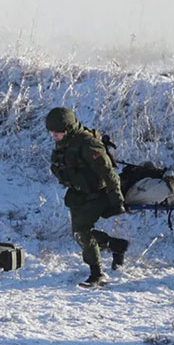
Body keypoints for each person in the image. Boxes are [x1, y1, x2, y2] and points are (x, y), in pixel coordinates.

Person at [46, 107, 130, 287]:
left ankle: (97, 274)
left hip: (99, 194)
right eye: (52, 133)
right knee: (78, 233)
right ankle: (116, 245)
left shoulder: (88, 144)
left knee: (82, 231)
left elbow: (109, 174)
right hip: (79, 194)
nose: (54, 136)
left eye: (57, 133)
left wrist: (117, 200)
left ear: (68, 129)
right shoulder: (66, 142)